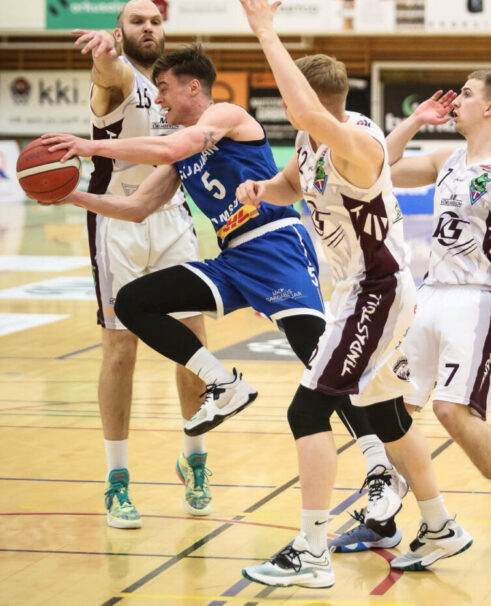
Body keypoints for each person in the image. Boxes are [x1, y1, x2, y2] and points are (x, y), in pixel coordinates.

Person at [44, 43, 406, 541]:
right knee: (132, 302)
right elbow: (136, 208)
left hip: (275, 244)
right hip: (232, 259)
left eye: (164, 89)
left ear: (193, 87)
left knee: (318, 358)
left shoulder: (227, 116)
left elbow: (170, 148)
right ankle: (223, 382)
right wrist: (70, 195)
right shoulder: (182, 153)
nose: (159, 100)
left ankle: (378, 465)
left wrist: (90, 147)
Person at [234, 0, 472, 588]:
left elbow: (303, 111)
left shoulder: (355, 142)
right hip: (357, 291)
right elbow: (292, 184)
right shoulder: (313, 140)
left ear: (317, 104)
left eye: (297, 100)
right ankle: (441, 526)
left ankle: (311, 552)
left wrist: (265, 31)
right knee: (387, 417)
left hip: (376, 291)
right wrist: (263, 190)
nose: (290, 109)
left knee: (306, 409)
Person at [386, 75, 491, 556]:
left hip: (479, 298)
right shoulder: (446, 159)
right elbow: (379, 165)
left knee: (452, 410)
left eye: (468, 94)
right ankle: (386, 516)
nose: (457, 100)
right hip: (430, 293)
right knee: (391, 408)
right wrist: (415, 120)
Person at [69, 0, 208, 528]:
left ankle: (194, 459)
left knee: (193, 345)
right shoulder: (119, 77)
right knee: (120, 350)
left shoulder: (170, 86)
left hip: (172, 218)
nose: (148, 28)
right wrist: (104, 55)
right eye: (137, 22)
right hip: (118, 221)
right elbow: (108, 72)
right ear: (119, 30)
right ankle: (118, 480)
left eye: (155, 21)